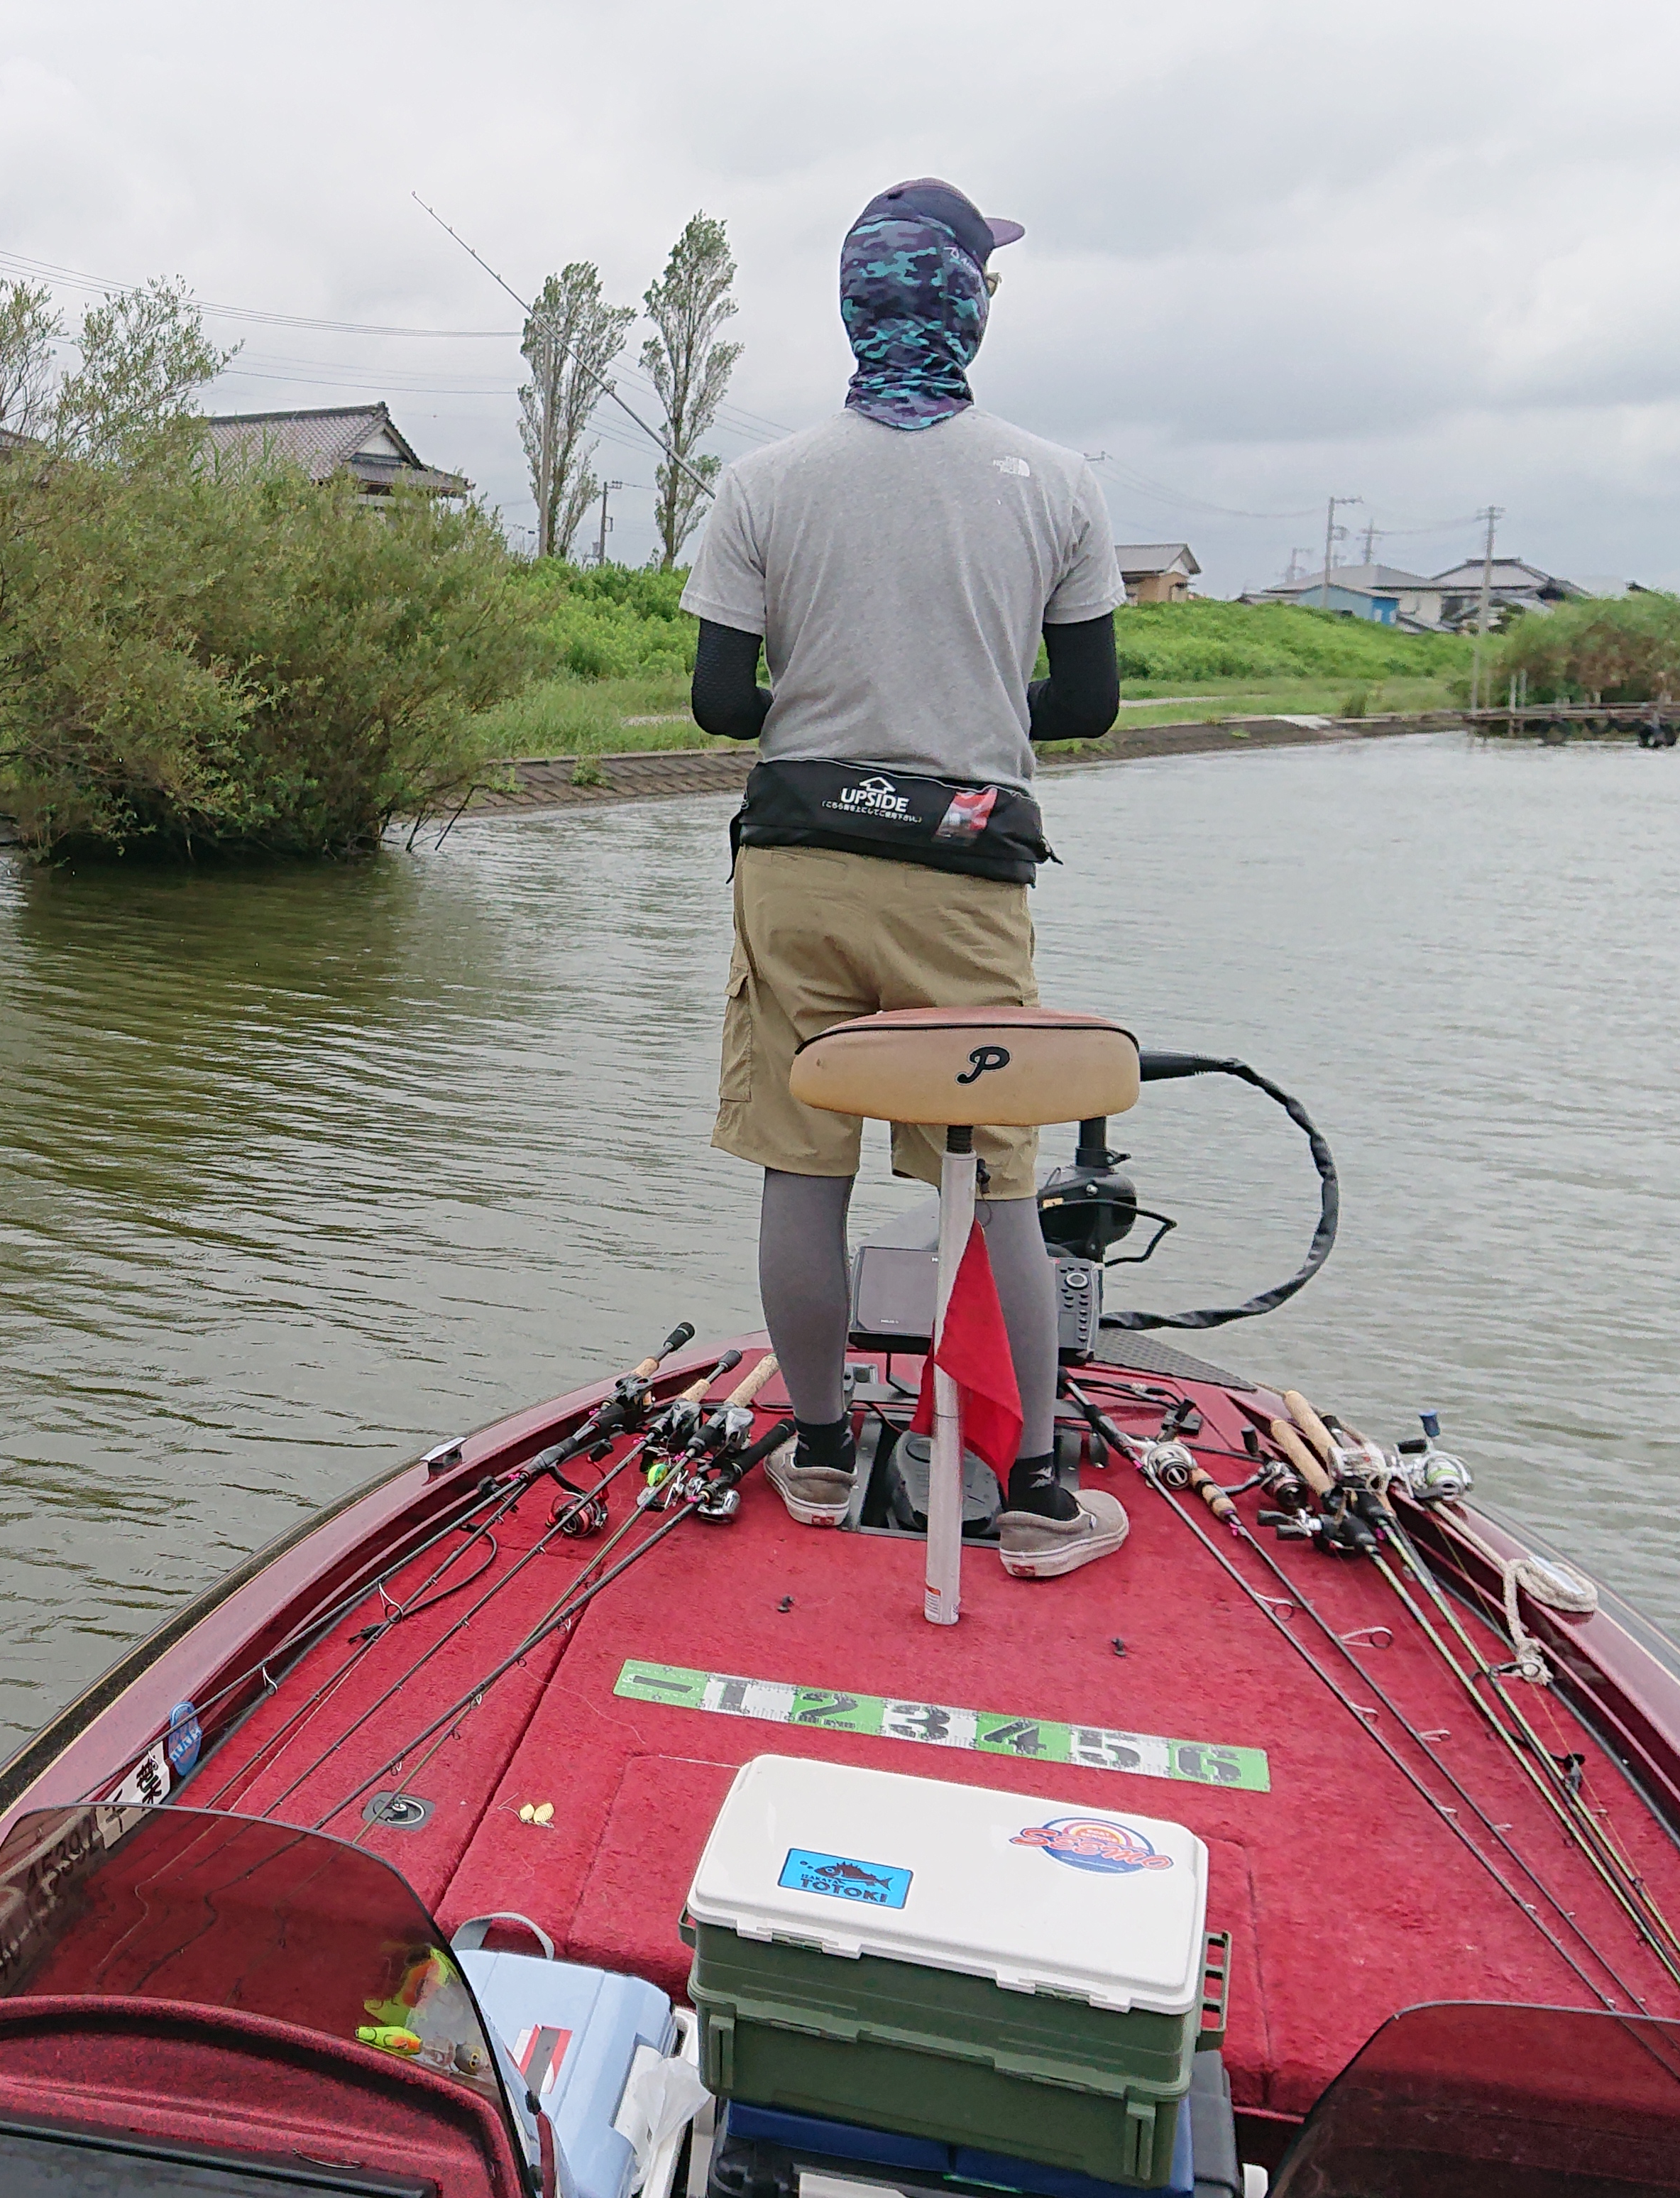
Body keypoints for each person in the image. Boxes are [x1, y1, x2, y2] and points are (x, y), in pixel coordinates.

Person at [679, 177, 1126, 1579]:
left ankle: (816, 1455)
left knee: (798, 1165)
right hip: (966, 872)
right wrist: (967, 705)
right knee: (990, 1176)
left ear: (852, 305)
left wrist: (834, 713)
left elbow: (713, 702)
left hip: (799, 870)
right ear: (968, 304)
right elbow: (1091, 704)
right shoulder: (1055, 483)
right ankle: (1034, 1483)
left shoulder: (760, 483)